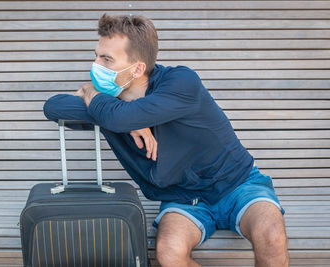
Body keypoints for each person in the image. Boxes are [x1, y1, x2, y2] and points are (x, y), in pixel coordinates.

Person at [43, 13, 289, 267]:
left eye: (106, 59)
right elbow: (54, 107)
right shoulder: (105, 102)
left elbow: (119, 118)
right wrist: (97, 95)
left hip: (238, 185)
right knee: (169, 253)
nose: (95, 65)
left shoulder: (181, 82)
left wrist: (117, 113)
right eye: (96, 56)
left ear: (137, 68)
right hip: (182, 199)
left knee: (271, 235)